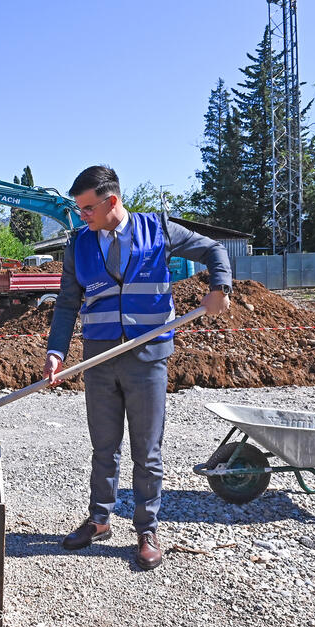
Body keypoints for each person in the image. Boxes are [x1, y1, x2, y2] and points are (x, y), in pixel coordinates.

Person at [44, 165, 231, 571]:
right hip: (100, 359)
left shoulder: (158, 230)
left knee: (147, 452)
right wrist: (56, 351)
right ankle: (99, 520)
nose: (83, 216)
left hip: (148, 360)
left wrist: (219, 288)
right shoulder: (79, 245)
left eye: (88, 208)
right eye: (78, 210)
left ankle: (147, 528)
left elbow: (214, 249)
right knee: (103, 448)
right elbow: (66, 304)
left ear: (112, 201)